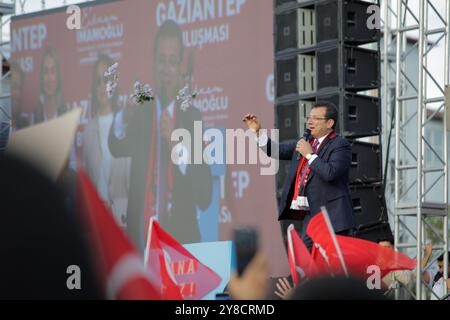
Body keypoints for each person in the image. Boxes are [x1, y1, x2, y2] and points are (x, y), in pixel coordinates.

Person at [108, 20, 212, 249]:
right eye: (162, 61)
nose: (166, 69)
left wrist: (177, 145)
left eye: (172, 62)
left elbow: (204, 195)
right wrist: (125, 114)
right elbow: (115, 146)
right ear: (154, 63)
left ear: (180, 66)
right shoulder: (141, 112)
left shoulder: (191, 117)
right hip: (141, 243)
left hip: (180, 246)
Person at [243, 101, 354, 250]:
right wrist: (257, 133)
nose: (309, 121)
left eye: (315, 118)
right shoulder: (306, 143)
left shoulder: (340, 145)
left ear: (329, 123)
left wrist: (309, 154)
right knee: (305, 256)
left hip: (333, 216)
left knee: (333, 263)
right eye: (309, 117)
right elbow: (275, 150)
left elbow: (330, 173)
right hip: (313, 214)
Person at [82, 53, 131, 228]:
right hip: (97, 224)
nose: (102, 86)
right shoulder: (88, 131)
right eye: (98, 81)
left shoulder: (125, 125)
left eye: (106, 79)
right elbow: (87, 184)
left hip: (123, 222)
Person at [34, 47, 67, 124]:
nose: (49, 78)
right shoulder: (36, 114)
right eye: (45, 71)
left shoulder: (66, 112)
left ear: (58, 75)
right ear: (41, 76)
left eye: (53, 71)